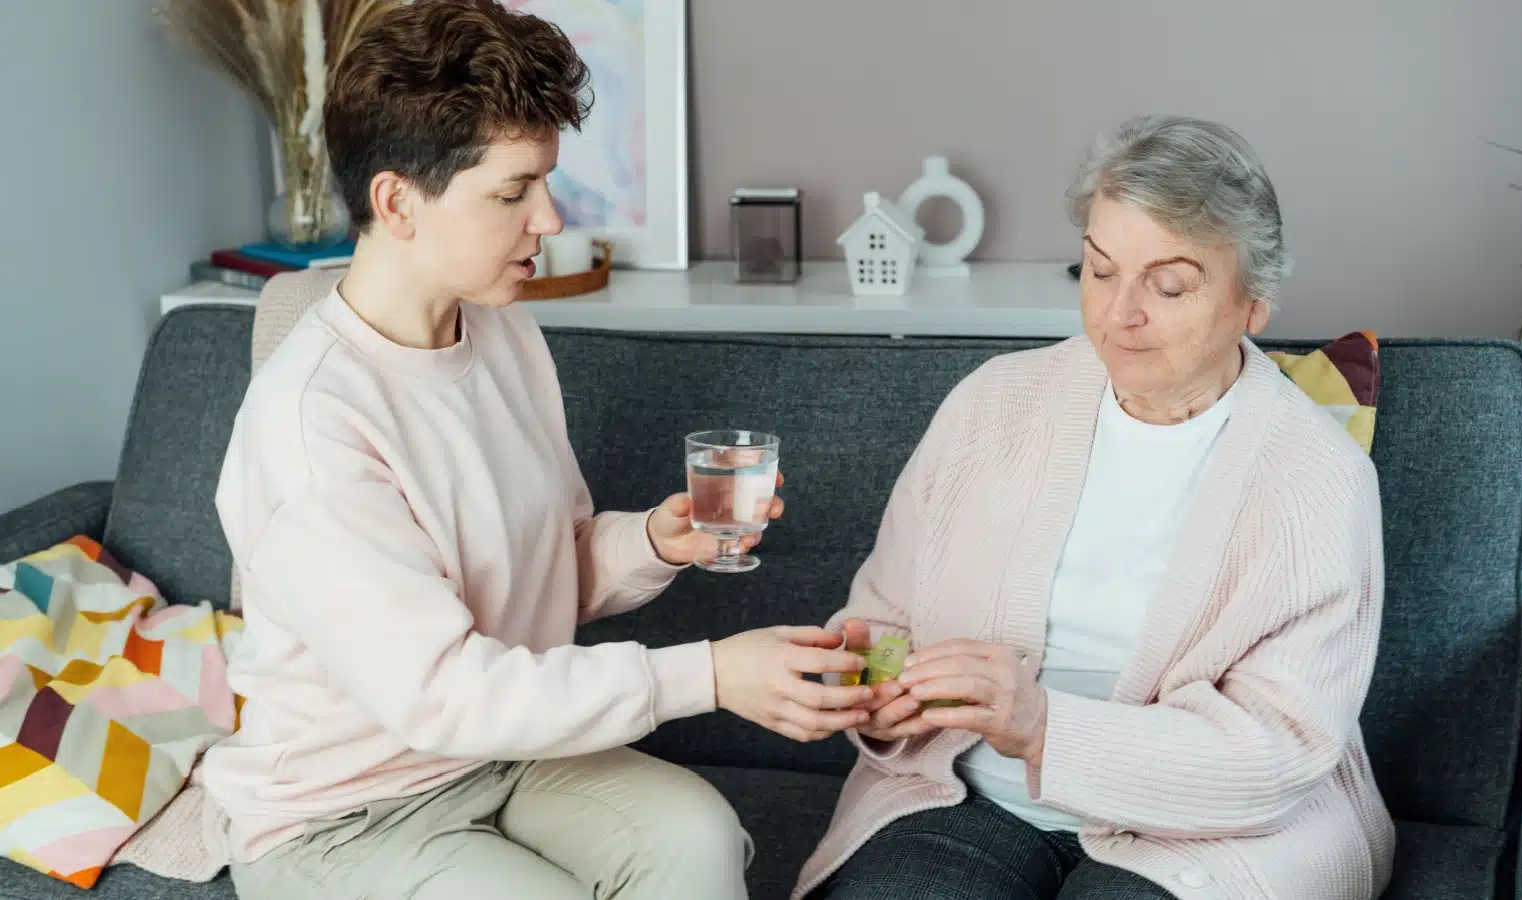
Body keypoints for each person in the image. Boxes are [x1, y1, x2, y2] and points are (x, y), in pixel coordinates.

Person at [196, 3, 874, 898]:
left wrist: (655, 542)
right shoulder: (314, 427)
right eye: (513, 191)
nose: (548, 219)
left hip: (504, 754)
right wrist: (710, 673)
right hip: (343, 812)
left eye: (546, 183)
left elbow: (546, 574)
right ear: (397, 201)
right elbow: (445, 691)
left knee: (698, 836)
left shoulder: (502, 337)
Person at [798, 115, 1396, 900]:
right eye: (1099, 270)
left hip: (1209, 832)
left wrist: (1043, 725)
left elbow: (1274, 754)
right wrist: (877, 694)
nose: (1120, 315)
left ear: (1255, 303)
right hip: (966, 799)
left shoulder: (1319, 479)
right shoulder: (990, 407)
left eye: (1169, 284)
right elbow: (885, 621)